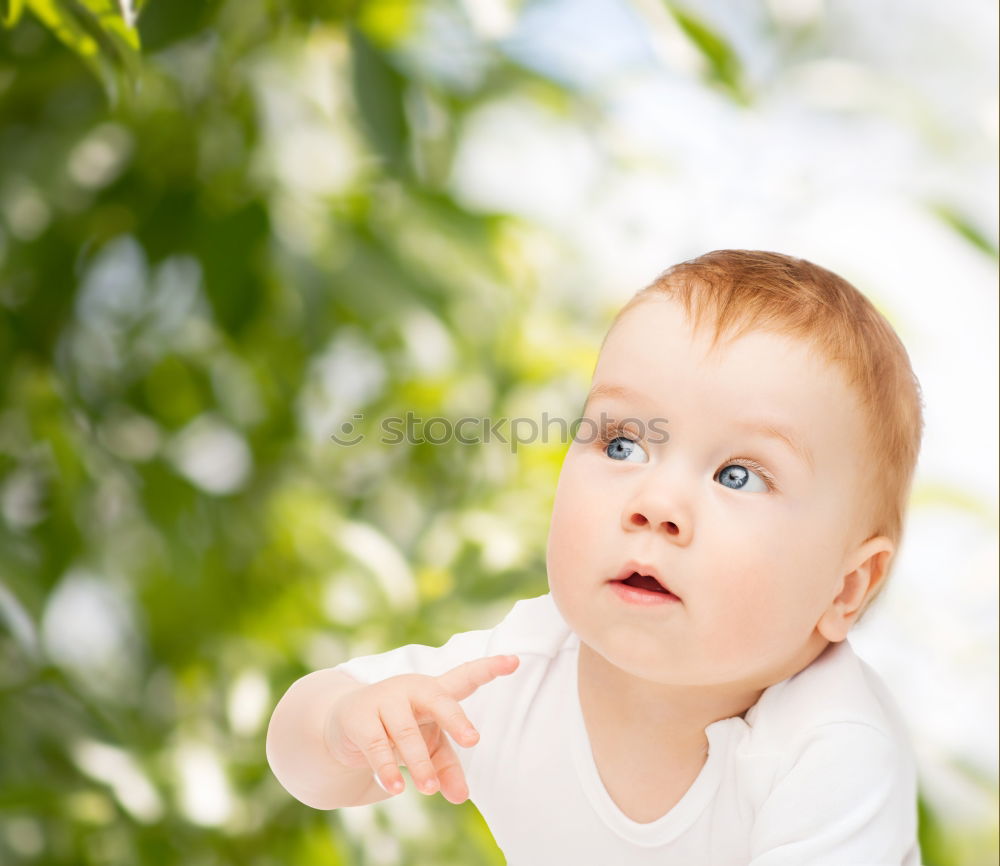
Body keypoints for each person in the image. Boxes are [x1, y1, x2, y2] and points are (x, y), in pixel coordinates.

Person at [266, 250, 925, 865]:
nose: (656, 501)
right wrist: (341, 729)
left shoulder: (832, 749)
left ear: (847, 588)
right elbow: (305, 765)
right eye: (620, 445)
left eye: (738, 476)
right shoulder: (522, 668)